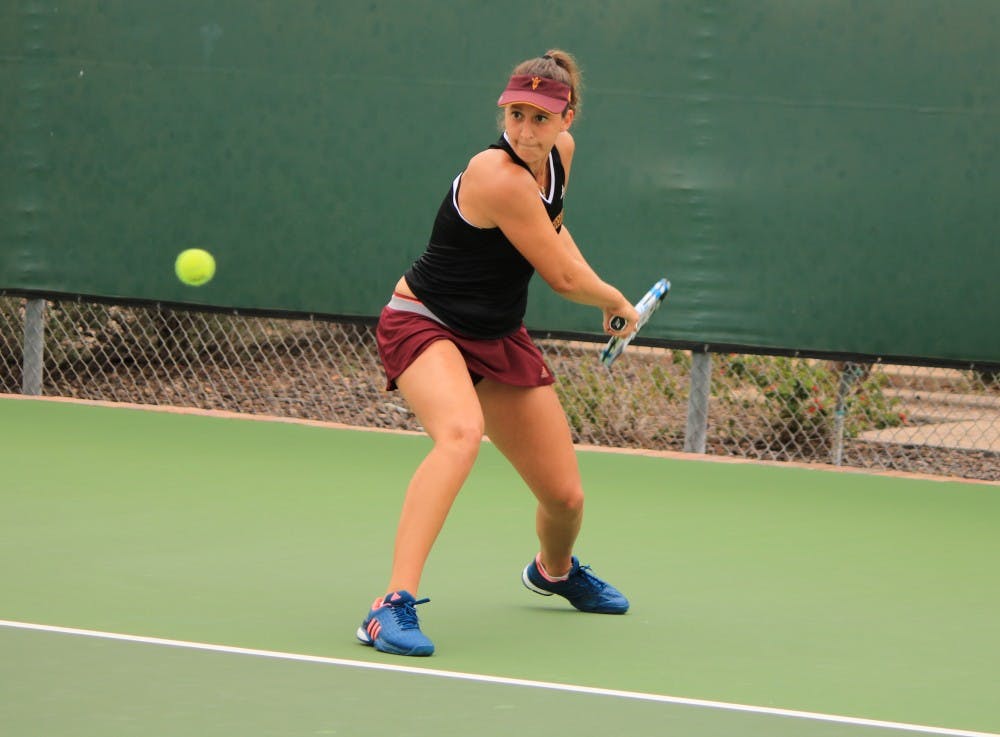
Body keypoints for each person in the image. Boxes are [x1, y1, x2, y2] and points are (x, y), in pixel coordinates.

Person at [356, 50, 640, 657]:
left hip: (496, 334)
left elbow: (554, 238)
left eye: (540, 118)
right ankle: (390, 606)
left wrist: (605, 300)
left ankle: (554, 572)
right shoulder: (497, 174)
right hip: (424, 323)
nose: (525, 129)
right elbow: (562, 279)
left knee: (565, 498)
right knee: (460, 434)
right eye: (515, 114)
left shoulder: (558, 158)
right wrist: (613, 298)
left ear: (567, 119)